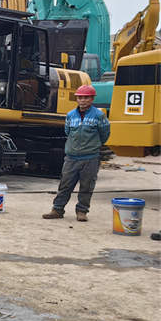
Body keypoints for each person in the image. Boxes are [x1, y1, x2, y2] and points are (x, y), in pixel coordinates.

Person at [43, 85, 110, 221]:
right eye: (80, 97)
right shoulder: (70, 115)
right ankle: (57, 210)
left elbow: (105, 134)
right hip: (71, 158)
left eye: (86, 97)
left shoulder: (99, 115)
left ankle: (82, 211)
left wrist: (92, 146)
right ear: (76, 99)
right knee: (65, 185)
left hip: (90, 158)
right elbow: (68, 132)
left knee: (87, 186)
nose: (83, 100)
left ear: (92, 98)